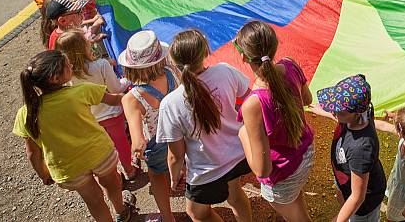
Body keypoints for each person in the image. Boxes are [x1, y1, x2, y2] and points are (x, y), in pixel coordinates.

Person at [12, 50, 134, 222]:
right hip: (99, 153)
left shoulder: (25, 114)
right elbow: (114, 100)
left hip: (68, 168)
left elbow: (32, 153)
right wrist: (135, 97)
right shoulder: (82, 91)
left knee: (94, 202)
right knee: (112, 184)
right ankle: (122, 211)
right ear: (55, 78)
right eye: (67, 65)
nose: (71, 66)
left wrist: (43, 174)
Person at [156, 29, 253, 222]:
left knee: (196, 213)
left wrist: (175, 178)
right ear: (206, 52)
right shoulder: (225, 70)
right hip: (238, 154)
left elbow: (175, 155)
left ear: (174, 63)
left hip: (207, 170)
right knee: (235, 194)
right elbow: (249, 98)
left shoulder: (170, 103)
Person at [234, 21, 315, 222]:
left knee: (293, 213)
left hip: (284, 170)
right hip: (305, 153)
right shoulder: (290, 64)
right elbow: (307, 99)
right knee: (294, 200)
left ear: (243, 56)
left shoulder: (253, 104)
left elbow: (262, 169)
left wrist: (243, 135)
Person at [55, 30, 135, 181]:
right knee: (121, 143)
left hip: (90, 119)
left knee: (103, 150)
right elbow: (116, 89)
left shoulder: (66, 77)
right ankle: (129, 170)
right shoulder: (101, 65)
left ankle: (112, 173)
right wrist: (127, 80)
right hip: (112, 114)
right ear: (84, 48)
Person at [119, 30, 178, 222]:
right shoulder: (172, 72)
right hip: (182, 132)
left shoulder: (132, 99)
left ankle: (168, 218)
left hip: (158, 143)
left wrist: (138, 150)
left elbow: (137, 141)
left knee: (157, 175)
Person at [314, 74, 387, 222]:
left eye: (339, 111)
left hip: (364, 205)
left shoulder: (360, 148)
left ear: (357, 113)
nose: (334, 112)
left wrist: (337, 220)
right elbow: (343, 116)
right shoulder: (359, 115)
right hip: (348, 181)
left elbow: (357, 197)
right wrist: (325, 112)